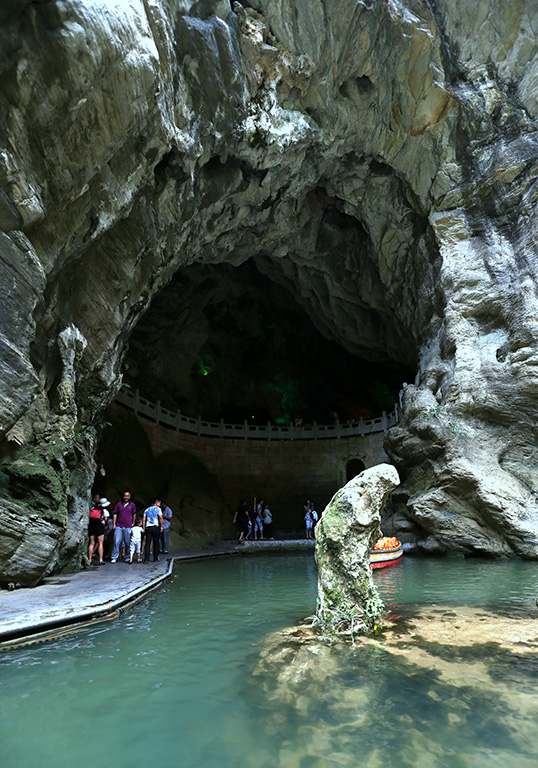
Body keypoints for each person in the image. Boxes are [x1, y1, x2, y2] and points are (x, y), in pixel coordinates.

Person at [111, 490, 137, 563]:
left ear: (130, 497)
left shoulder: (132, 505)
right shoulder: (118, 504)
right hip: (119, 525)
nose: (126, 497)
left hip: (128, 526)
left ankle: (127, 556)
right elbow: (115, 514)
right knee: (116, 541)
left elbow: (134, 514)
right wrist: (114, 524)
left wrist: (133, 523)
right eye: (125, 496)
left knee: (127, 542)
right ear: (123, 496)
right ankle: (114, 557)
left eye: (127, 496)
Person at [88, 496, 110, 566]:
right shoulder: (104, 511)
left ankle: (90, 560)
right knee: (100, 543)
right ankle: (100, 560)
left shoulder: (92, 508)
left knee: (92, 543)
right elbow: (105, 520)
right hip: (100, 527)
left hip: (92, 526)